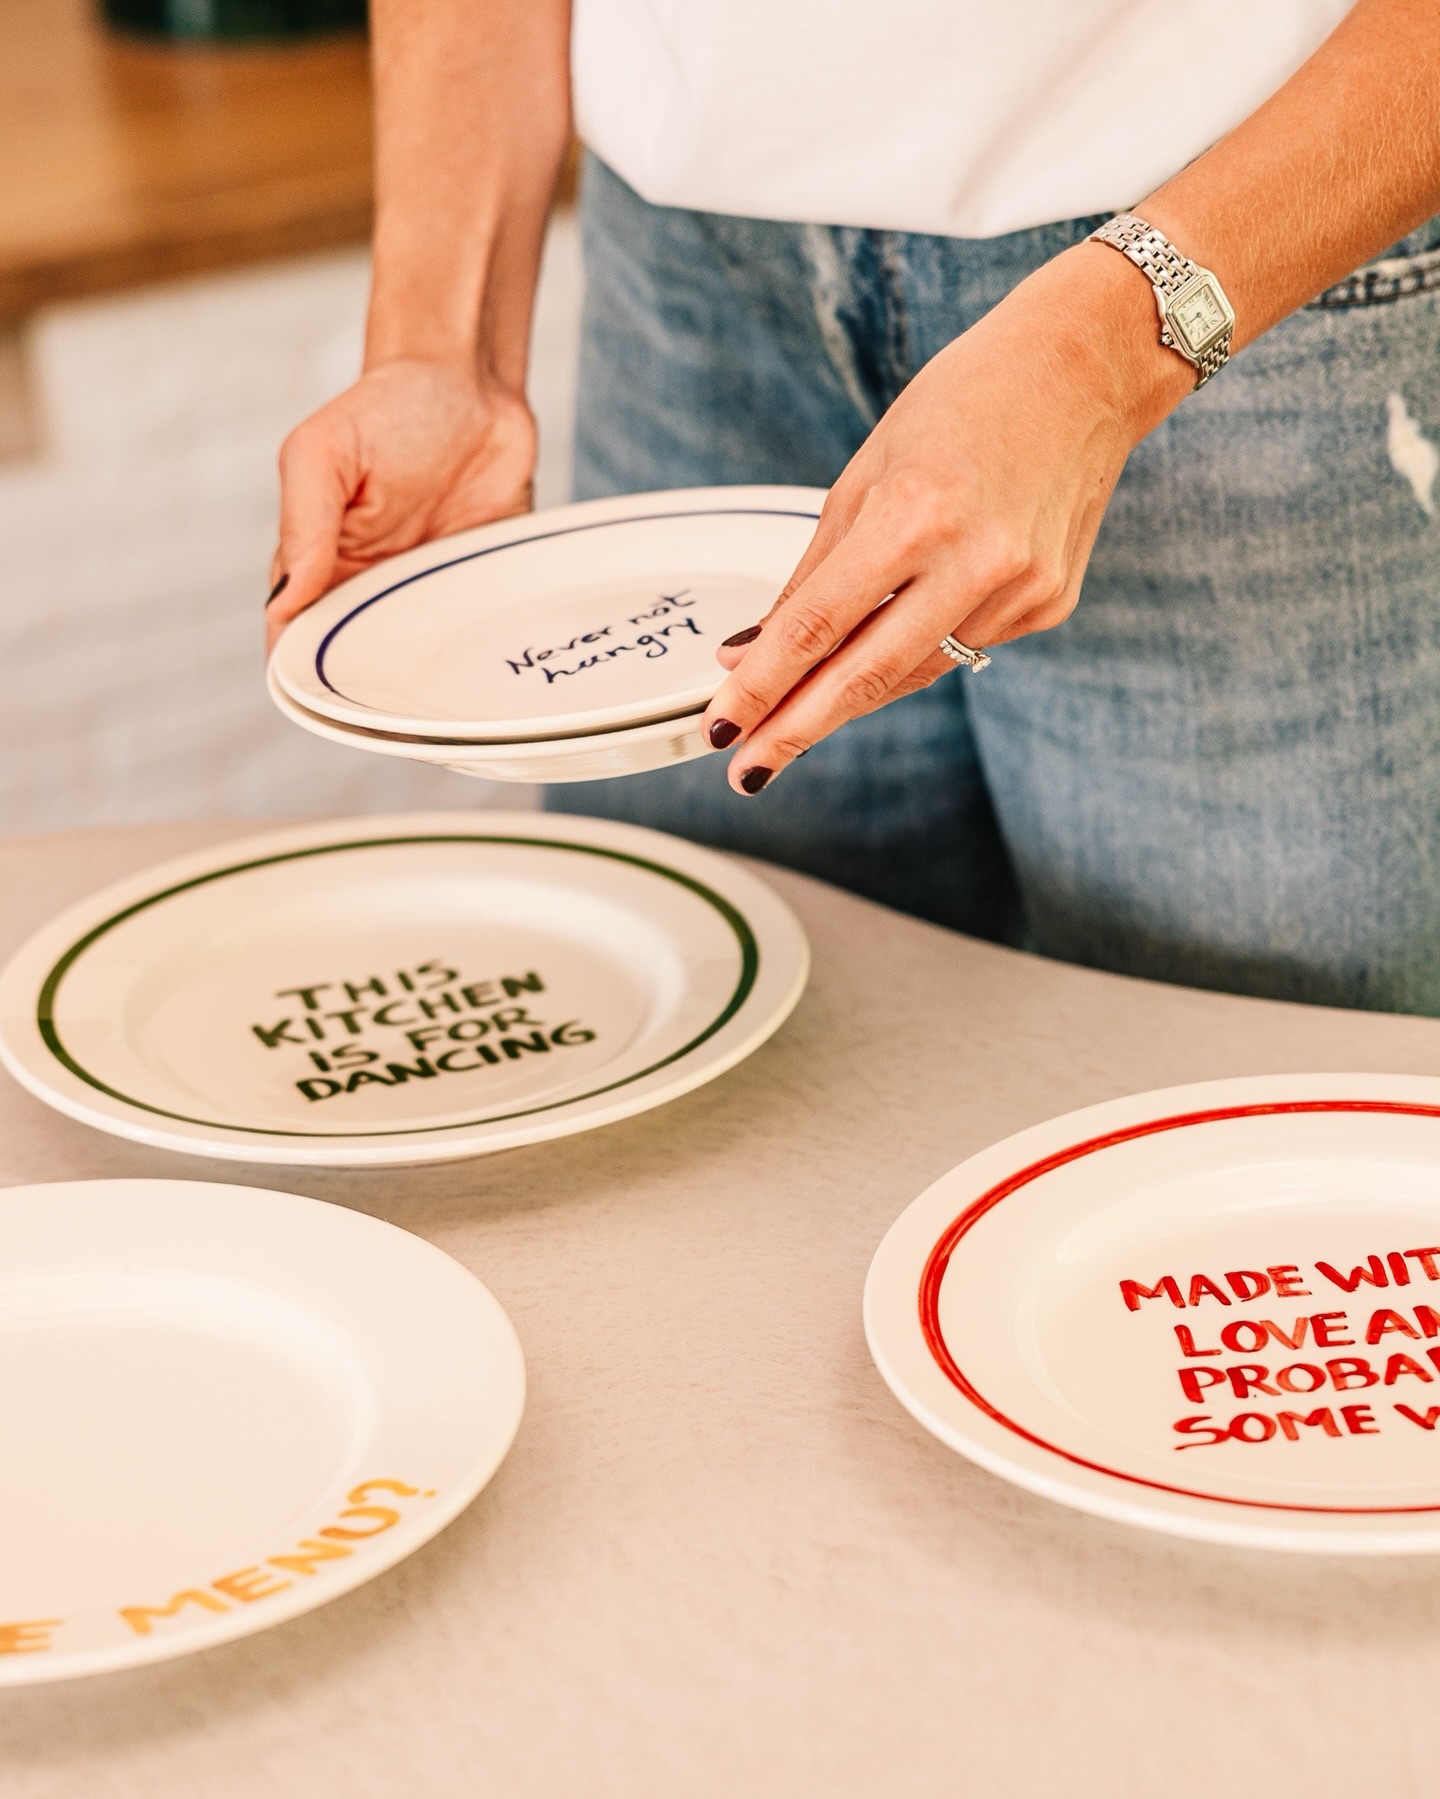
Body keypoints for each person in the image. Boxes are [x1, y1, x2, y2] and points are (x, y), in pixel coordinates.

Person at [267, 0, 1440, 1013]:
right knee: (754, 1106)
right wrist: (440, 344)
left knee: (1247, 1138)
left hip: (1248, 262)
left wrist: (1112, 349)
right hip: (694, 278)